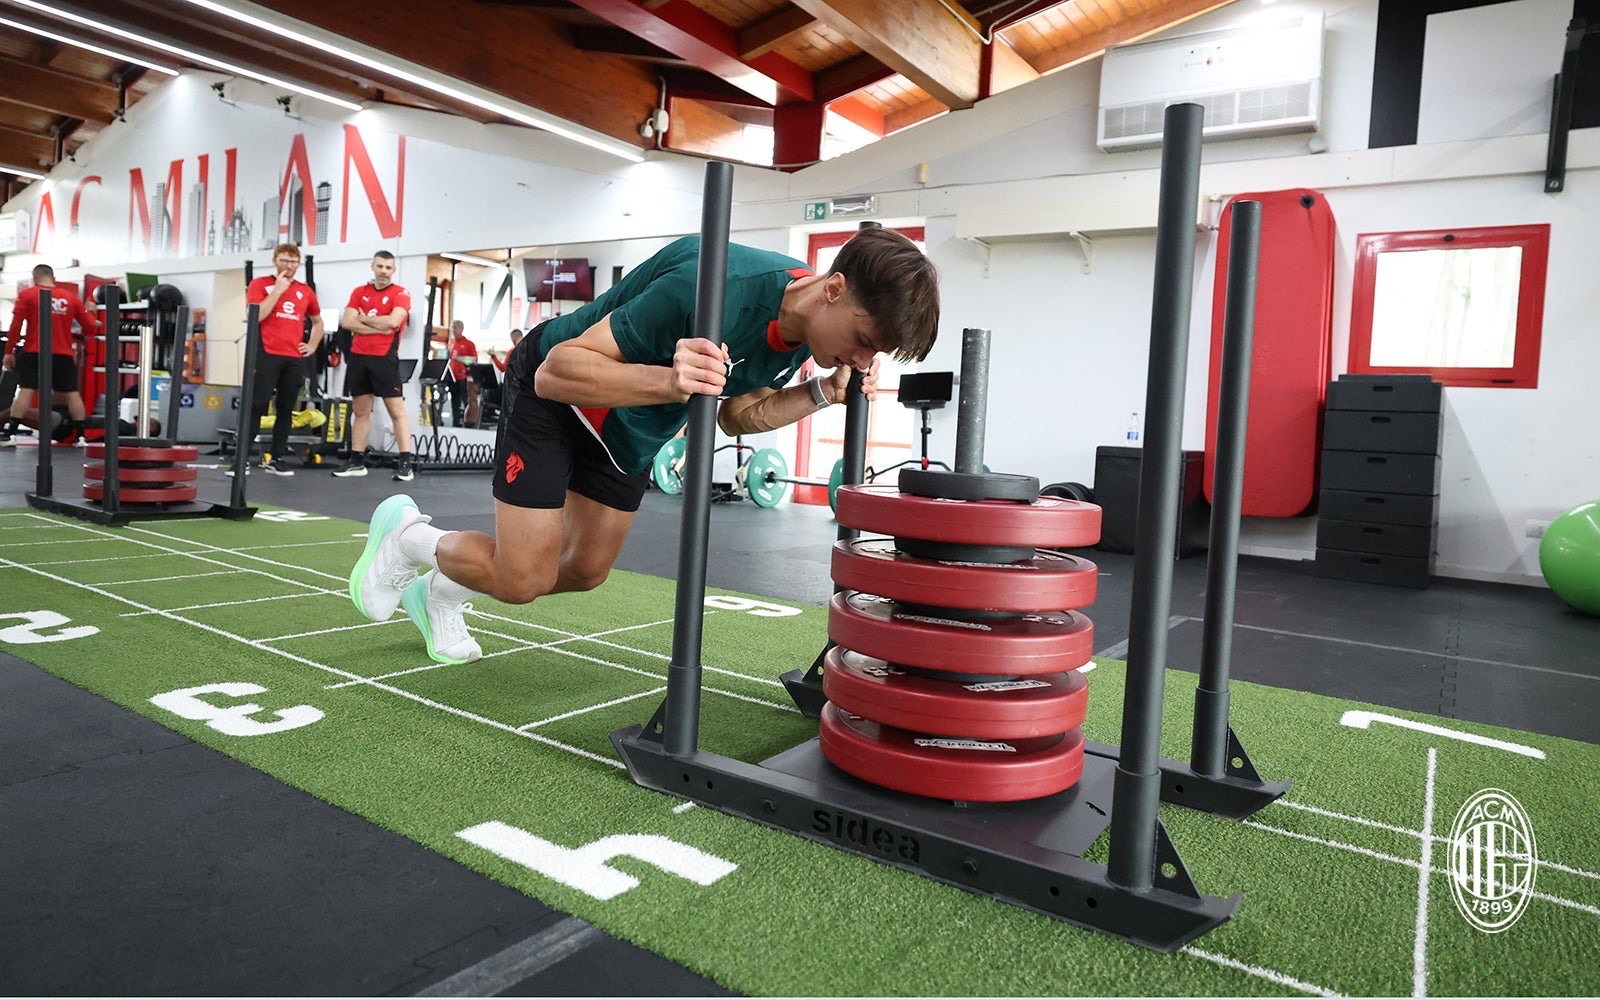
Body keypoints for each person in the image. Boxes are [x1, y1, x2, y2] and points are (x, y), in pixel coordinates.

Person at [348, 227, 938, 664]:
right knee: (523, 579)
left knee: (584, 570)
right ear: (833, 289)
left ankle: (440, 590)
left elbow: (736, 415)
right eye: (864, 340)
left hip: (630, 424)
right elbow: (557, 372)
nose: (864, 360)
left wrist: (820, 394)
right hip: (558, 392)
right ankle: (407, 537)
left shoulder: (802, 335)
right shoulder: (711, 289)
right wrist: (670, 382)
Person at [239, 243, 323, 476]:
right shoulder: (260, 284)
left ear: (299, 264)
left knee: (286, 408)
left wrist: (312, 345)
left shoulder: (305, 291)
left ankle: (276, 458)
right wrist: (277, 291)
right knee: (257, 405)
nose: (289, 266)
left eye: (293, 262)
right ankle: (242, 459)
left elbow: (318, 322)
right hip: (266, 353)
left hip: (293, 357)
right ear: (275, 261)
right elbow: (256, 315)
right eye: (284, 260)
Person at [332, 250, 417, 481]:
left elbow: (393, 321)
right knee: (360, 411)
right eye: (380, 266)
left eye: (388, 268)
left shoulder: (400, 293)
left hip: (385, 359)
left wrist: (364, 319)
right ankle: (356, 461)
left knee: (396, 411)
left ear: (394, 270)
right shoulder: (359, 292)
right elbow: (347, 322)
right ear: (373, 267)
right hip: (359, 357)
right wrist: (379, 326)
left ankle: (405, 463)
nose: (383, 271)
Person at [0, 265, 98, 448]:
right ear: (53, 278)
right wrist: (91, 311)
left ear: (34, 278)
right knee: (72, 393)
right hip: (63, 354)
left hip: (34, 351)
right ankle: (81, 437)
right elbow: (91, 328)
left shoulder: (27, 294)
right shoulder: (71, 298)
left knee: (26, 391)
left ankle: (10, 434)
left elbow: (16, 326)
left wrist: (8, 352)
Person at [440, 320, 478, 426]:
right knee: (454, 401)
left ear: (461, 329)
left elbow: (474, 360)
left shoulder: (469, 344)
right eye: (452, 327)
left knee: (466, 401)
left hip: (463, 377)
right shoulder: (451, 343)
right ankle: (455, 423)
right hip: (452, 377)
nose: (453, 330)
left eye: (455, 327)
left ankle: (469, 423)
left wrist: (462, 360)